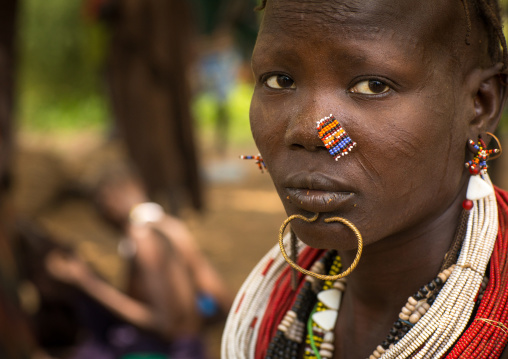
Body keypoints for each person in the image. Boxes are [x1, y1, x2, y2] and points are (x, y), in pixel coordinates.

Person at [221, 0, 508, 358]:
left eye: (372, 86)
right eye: (280, 80)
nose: (310, 130)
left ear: (481, 102)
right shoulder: (267, 314)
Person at [45, 165, 231, 359]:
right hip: (194, 348)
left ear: (111, 198)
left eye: (99, 204)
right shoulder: (171, 227)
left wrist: (86, 282)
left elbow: (167, 325)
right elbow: (220, 298)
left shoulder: (143, 237)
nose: (101, 216)